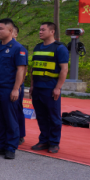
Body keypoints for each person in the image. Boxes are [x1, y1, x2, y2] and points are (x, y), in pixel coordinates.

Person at [0, 19, 28, 159]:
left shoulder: (18, 49)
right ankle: (0, 145)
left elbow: (21, 70)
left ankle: (11, 147)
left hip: (9, 89)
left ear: (10, 31)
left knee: (10, 119)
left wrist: (16, 89)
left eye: (1, 29)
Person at [30, 22, 69, 154]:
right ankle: (44, 140)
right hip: (37, 88)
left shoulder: (60, 48)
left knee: (54, 117)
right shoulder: (37, 47)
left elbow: (64, 69)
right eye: (40, 30)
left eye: (43, 30)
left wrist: (58, 87)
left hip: (51, 89)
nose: (40, 32)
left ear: (52, 32)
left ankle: (54, 142)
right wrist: (32, 86)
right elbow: (33, 69)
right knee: (41, 116)